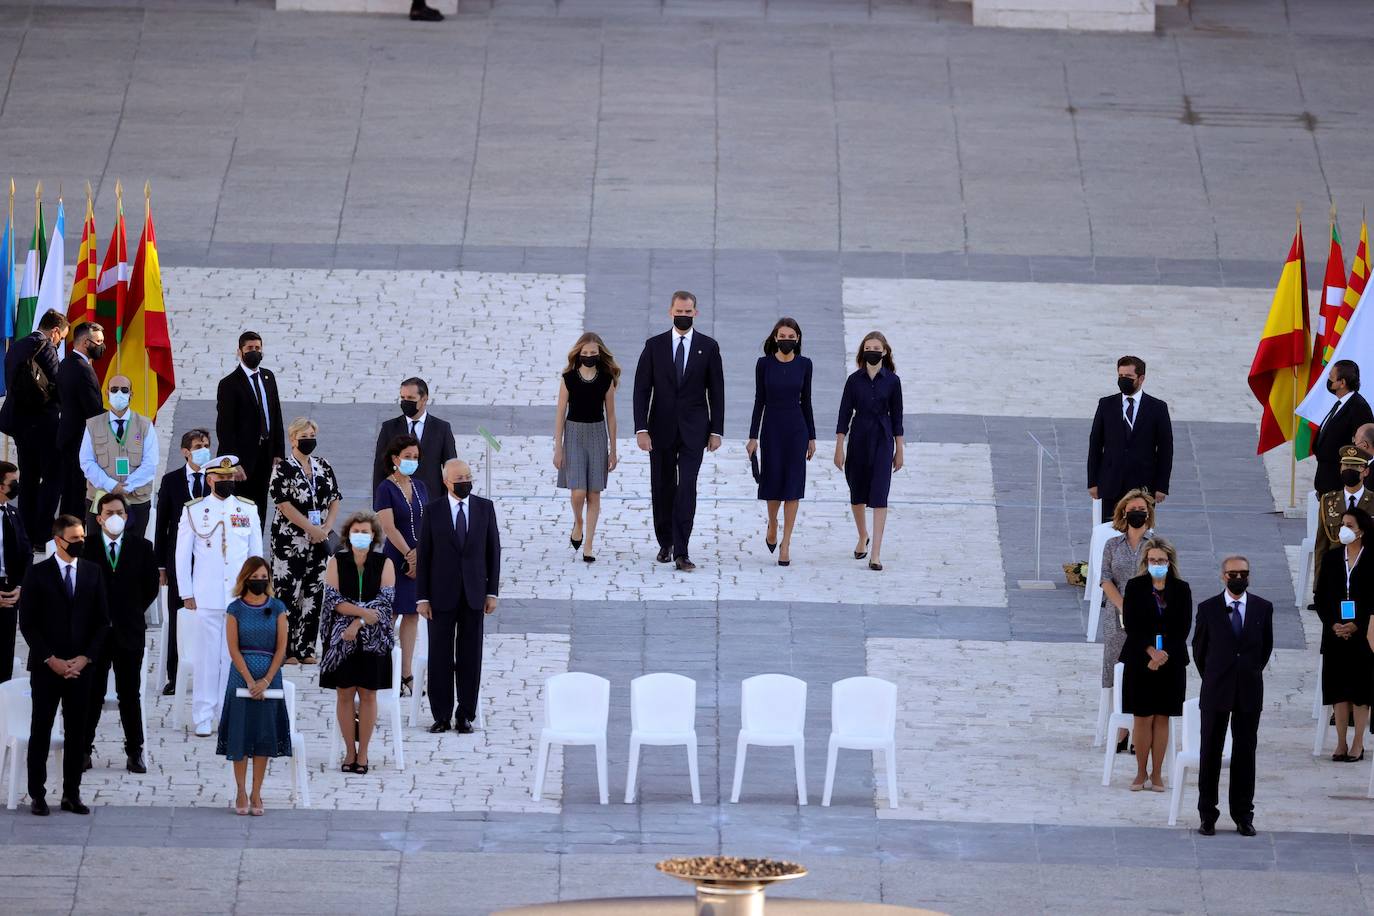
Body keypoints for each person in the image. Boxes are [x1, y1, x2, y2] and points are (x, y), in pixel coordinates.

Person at [18, 515, 109, 816]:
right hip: (47, 668)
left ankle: (72, 793)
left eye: (83, 536)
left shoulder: (92, 572)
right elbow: (28, 624)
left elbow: (101, 622)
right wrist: (51, 659)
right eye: (75, 538)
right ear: (58, 540)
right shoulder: (37, 573)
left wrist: (85, 658)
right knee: (41, 730)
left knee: (77, 733)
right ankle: (38, 794)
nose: (81, 543)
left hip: (81, 669)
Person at [632, 291, 725, 572]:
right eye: (679, 311)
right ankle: (666, 541)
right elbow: (641, 390)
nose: (683, 316)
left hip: (694, 431)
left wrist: (716, 431)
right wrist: (641, 429)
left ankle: (682, 550)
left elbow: (717, 391)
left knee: (686, 487)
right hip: (660, 429)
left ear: (695, 313)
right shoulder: (654, 346)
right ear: (670, 311)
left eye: (688, 312)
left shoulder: (708, 347)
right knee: (662, 486)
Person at [176, 456, 264, 737]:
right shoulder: (194, 510)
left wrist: (256, 590)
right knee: (206, 657)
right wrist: (186, 592)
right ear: (210, 479)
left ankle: (230, 713)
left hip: (238, 597)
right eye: (220, 478)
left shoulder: (247, 509)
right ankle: (203, 714)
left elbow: (255, 555)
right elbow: (182, 555)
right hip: (206, 595)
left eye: (230, 478)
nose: (226, 482)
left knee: (234, 658)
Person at [416, 459, 500, 734]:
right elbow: (425, 554)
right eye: (459, 478)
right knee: (439, 655)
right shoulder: (433, 510)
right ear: (446, 481)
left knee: (470, 655)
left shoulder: (484, 507)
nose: (465, 481)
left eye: (468, 476)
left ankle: (465, 713)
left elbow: (493, 551)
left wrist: (491, 592)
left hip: (474, 593)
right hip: (440, 595)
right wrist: (422, 597)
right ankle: (441, 714)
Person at [1192, 556, 1273, 837]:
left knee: (1245, 753)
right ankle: (1207, 814)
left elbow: (1265, 650)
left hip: (1249, 690)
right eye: (1232, 573)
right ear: (1222, 576)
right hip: (1216, 690)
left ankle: (1243, 814)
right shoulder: (1208, 608)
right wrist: (1217, 676)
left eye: (1243, 573)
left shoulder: (1263, 608)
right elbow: (1200, 652)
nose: (1238, 577)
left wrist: (1246, 672)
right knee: (1210, 752)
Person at [81, 493, 159, 774]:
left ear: (127, 517)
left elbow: (150, 586)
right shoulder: (86, 548)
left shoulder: (142, 547)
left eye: (120, 512)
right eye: (109, 512)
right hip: (94, 634)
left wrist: (131, 610)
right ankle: (83, 749)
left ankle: (135, 751)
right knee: (92, 693)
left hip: (129, 630)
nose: (115, 517)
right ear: (99, 518)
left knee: (129, 694)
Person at [320, 512, 396, 773]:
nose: (361, 536)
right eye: (356, 531)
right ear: (348, 535)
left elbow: (385, 603)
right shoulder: (336, 562)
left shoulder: (384, 563)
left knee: (367, 694)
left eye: (366, 532)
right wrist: (363, 613)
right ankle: (348, 752)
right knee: (344, 693)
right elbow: (333, 600)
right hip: (342, 640)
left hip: (373, 640)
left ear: (373, 535)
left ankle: (362, 753)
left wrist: (359, 622)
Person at [217, 557, 290, 817]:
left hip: (270, 674)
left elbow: (282, 648)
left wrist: (266, 680)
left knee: (263, 734)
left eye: (264, 577)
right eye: (255, 576)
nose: (260, 581)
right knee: (241, 733)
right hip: (241, 676)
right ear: (245, 578)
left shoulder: (278, 607)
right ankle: (240, 789)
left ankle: (257, 790)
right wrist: (249, 680)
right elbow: (233, 648)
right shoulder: (234, 609)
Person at [1119, 537, 1192, 792]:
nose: (1157, 564)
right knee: (1143, 717)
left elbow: (1183, 627)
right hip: (1140, 659)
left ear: (1169, 562)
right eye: (1152, 560)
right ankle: (1140, 772)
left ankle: (1157, 773)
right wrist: (1150, 651)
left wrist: (1163, 655)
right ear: (1146, 562)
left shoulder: (1181, 589)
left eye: (1161, 560)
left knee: (1162, 718)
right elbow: (1131, 623)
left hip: (1171, 661)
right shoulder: (1136, 586)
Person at [268, 418, 342, 664]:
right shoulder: (283, 468)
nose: (309, 439)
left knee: (313, 591)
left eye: (312, 434)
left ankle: (307, 648)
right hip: (290, 539)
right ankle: (286, 649)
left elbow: (334, 498)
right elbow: (283, 504)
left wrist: (326, 527)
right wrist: (309, 527)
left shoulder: (323, 465)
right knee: (287, 592)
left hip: (319, 538)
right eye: (304, 435)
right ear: (293, 439)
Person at [747, 318, 816, 568]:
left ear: (797, 339)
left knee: (793, 485)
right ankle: (772, 522)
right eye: (782, 336)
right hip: (772, 428)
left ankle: (786, 543)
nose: (786, 340)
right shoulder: (763, 364)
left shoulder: (805, 365)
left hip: (796, 428)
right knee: (773, 480)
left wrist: (812, 436)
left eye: (791, 336)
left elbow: (806, 400)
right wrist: (753, 436)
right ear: (775, 337)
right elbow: (759, 401)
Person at [835, 331, 904, 572]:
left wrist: (900, 450)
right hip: (859, 437)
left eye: (877, 347)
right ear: (863, 351)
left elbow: (897, 417)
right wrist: (839, 447)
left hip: (883, 439)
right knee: (857, 491)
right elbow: (844, 413)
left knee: (880, 493)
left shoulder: (893, 382)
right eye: (868, 347)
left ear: (884, 351)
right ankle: (862, 534)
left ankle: (875, 553)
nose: (872, 351)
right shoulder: (854, 381)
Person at [1097, 489, 1157, 753]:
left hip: (1148, 617)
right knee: (1117, 669)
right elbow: (1105, 578)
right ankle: (1119, 728)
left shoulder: (1156, 546)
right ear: (1124, 513)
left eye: (1141, 509)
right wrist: (1124, 606)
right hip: (1116, 615)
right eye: (1132, 509)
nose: (1137, 513)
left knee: (1143, 671)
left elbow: (1163, 579)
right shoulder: (1112, 545)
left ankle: (1136, 729)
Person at [153, 429, 212, 695]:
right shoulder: (171, 480)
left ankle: (206, 671)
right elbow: (162, 525)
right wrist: (161, 566)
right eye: (198, 445)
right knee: (178, 618)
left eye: (207, 445)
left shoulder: (216, 479)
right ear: (185, 451)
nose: (204, 449)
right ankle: (174, 674)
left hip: (207, 561)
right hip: (178, 562)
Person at [553, 333, 620, 563]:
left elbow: (611, 416)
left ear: (599, 354)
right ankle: (578, 523)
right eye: (585, 353)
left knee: (594, 493)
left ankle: (588, 544)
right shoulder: (568, 378)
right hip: (573, 434)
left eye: (593, 353)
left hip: (597, 435)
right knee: (578, 492)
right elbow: (560, 413)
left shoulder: (606, 379)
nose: (589, 357)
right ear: (578, 354)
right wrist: (557, 448)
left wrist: (614, 449)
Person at [0, 310, 65, 544]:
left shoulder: (17, 346)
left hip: (19, 423)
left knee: (28, 476)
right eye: (62, 337)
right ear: (55, 331)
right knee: (53, 477)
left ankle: (25, 531)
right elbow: (57, 383)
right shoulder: (46, 347)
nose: (59, 342)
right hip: (44, 424)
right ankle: (42, 531)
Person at [1315, 506, 1374, 761]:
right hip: (1335, 634)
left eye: (1349, 525)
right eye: (1343, 524)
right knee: (1337, 689)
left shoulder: (1372, 559)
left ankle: (1358, 743)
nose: (1344, 529)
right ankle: (1340, 742)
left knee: (1360, 691)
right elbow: (1321, 597)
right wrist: (1333, 624)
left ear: (1360, 530)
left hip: (1363, 635)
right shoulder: (1331, 559)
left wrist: (1357, 623)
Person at [1087, 356, 1173, 522]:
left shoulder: (1157, 408)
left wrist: (1162, 486)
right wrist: (1092, 481)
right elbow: (1095, 444)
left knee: (1140, 534)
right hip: (1111, 483)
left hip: (1143, 486)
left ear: (1141, 378)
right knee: (1111, 533)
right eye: (1120, 376)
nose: (1123, 380)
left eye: (1128, 377)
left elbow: (1165, 449)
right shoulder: (1106, 405)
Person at [77, 373, 160, 540]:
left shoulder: (144, 425)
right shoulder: (93, 425)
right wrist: (111, 485)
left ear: (131, 394)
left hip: (135, 500)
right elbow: (86, 462)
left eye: (124, 390)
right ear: (107, 393)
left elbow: (150, 463)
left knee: (134, 549)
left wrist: (126, 487)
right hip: (101, 498)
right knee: (98, 550)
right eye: (114, 389)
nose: (119, 393)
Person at [215, 331, 285, 524]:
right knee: (240, 508)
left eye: (257, 348)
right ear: (240, 352)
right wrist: (233, 462)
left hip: (265, 454)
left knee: (260, 506)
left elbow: (276, 415)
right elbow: (225, 428)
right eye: (249, 349)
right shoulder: (229, 384)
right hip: (242, 460)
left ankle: (256, 550)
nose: (254, 352)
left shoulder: (268, 377)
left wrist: (278, 451)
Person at [376, 435, 426, 697]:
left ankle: (406, 672)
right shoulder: (386, 488)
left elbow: (426, 520)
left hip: (419, 555)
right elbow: (388, 526)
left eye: (415, 457)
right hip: (397, 558)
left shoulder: (420, 487)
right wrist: (409, 554)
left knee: (412, 614)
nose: (412, 461)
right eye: (407, 457)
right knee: (391, 612)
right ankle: (386, 668)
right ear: (395, 459)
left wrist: (420, 554)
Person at [372, 377, 456, 512]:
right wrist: (379, 505)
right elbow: (380, 467)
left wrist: (451, 502)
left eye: (410, 398)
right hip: (396, 500)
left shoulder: (442, 428)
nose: (406, 402)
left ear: (424, 399)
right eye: (403, 398)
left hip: (431, 501)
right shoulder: (389, 428)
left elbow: (450, 467)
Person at [56, 321, 108, 518]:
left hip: (67, 435)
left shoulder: (66, 363)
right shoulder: (83, 370)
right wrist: (119, 418)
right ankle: (74, 529)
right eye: (99, 341)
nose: (102, 346)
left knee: (69, 490)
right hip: (79, 439)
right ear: (86, 342)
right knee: (77, 491)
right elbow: (93, 409)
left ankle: (66, 527)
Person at [1314, 446, 1374, 604]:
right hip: (1335, 573)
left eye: (1355, 466)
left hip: (1366, 572)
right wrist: (1318, 587)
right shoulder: (1328, 501)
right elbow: (1321, 545)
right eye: (1346, 465)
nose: (1349, 470)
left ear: (1365, 471)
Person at [1314, 361, 1374, 495]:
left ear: (1342, 383)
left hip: (1339, 485)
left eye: (1331, 377)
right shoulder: (1340, 404)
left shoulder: (1359, 407)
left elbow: (1363, 448)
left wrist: (1350, 486)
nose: (1328, 380)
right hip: (1326, 481)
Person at [0, 461, 31, 684]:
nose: (17, 486)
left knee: (4, 652)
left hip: (10, 591)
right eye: (13, 482)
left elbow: (26, 553)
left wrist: (20, 586)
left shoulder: (12, 513)